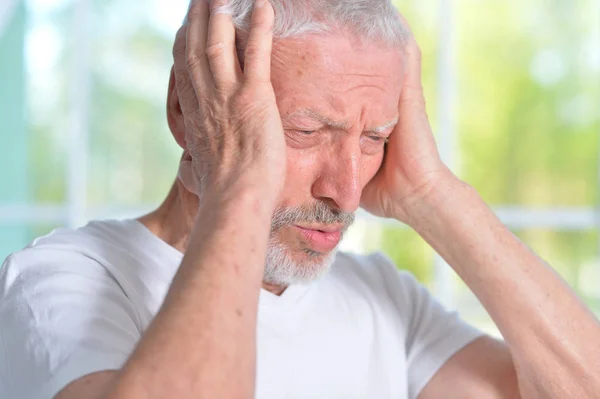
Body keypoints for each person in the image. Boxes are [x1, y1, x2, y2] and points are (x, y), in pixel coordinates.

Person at [1, 0, 599, 398]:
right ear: (190, 109)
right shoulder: (65, 279)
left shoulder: (384, 300)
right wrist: (239, 180)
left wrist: (430, 191)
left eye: (374, 139)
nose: (344, 192)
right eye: (307, 131)